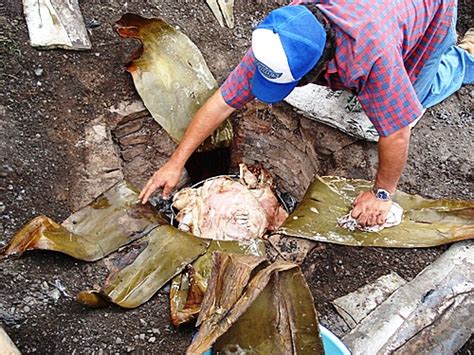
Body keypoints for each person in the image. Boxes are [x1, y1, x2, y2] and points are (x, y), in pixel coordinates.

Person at [139, 0, 474, 227]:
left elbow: (397, 133)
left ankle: (464, 59)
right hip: (379, 11)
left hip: (428, 8)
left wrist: (381, 195)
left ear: (319, 65)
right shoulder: (288, 32)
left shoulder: (376, 59)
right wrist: (176, 161)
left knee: (403, 100)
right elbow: (223, 101)